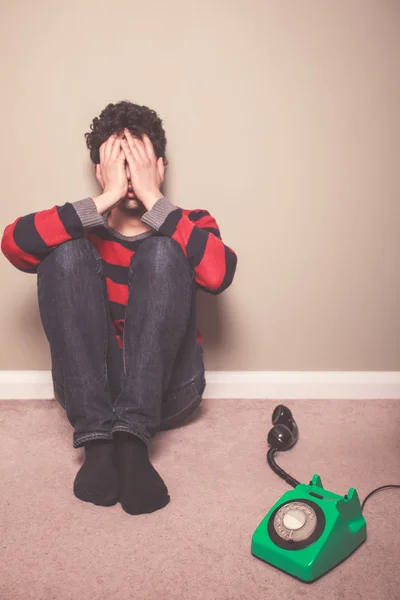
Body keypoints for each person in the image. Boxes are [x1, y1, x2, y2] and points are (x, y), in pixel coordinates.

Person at [1, 101, 237, 515]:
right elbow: (14, 245)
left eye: (139, 165)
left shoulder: (192, 222)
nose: (130, 178)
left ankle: (131, 443)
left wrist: (152, 198)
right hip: (93, 391)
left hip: (170, 393)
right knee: (64, 252)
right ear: (101, 171)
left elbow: (218, 274)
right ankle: (97, 440)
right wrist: (106, 198)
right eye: (119, 167)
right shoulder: (81, 228)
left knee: (164, 252)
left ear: (160, 167)